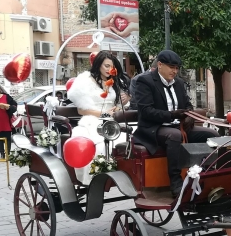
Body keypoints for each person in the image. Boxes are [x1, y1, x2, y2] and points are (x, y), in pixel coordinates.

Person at [133, 50, 218, 197]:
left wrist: (190, 117)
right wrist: (171, 115)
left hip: (177, 126)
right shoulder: (145, 81)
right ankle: (176, 181)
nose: (175, 71)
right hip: (154, 128)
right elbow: (147, 111)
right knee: (174, 136)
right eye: (171, 67)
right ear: (160, 65)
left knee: (212, 134)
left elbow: (188, 105)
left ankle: (207, 174)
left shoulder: (179, 83)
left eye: (177, 68)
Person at [67, 51, 130, 185]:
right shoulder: (86, 81)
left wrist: (118, 108)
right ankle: (94, 177)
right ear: (98, 65)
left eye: (112, 67)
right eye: (106, 66)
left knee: (128, 140)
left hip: (111, 121)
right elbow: (81, 109)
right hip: (92, 119)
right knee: (100, 144)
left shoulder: (113, 82)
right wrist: (103, 114)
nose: (109, 69)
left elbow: (117, 105)